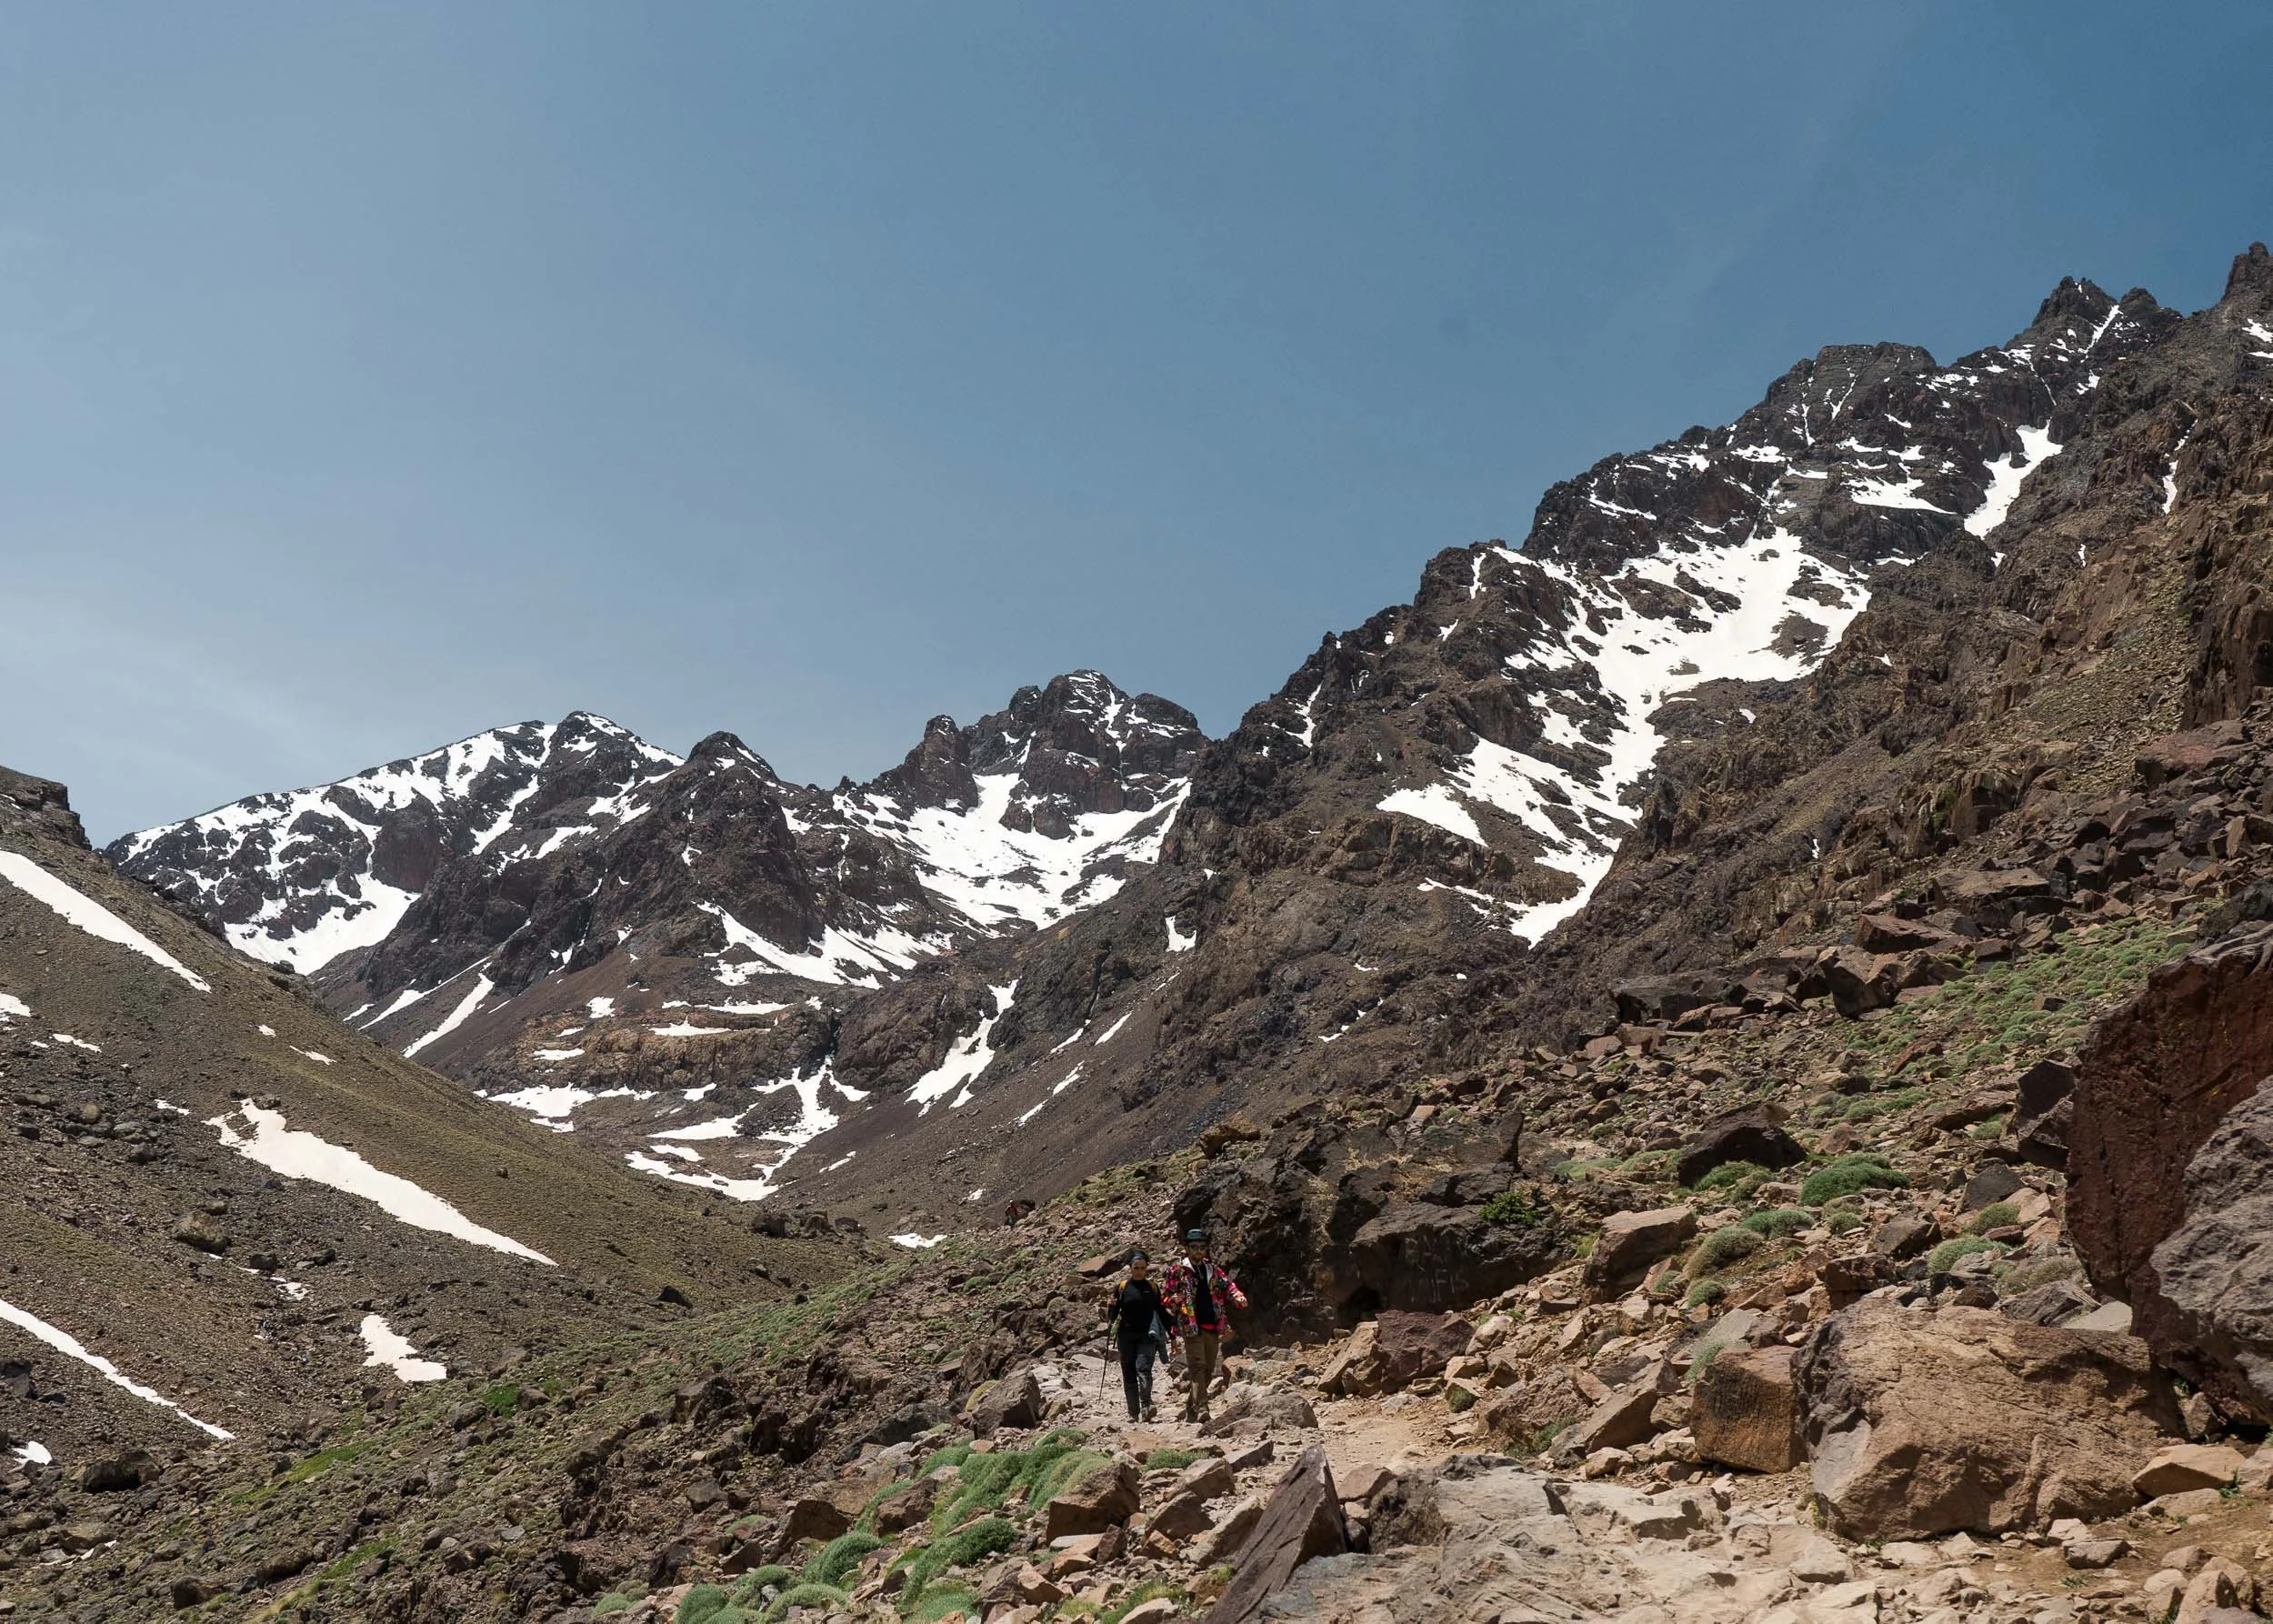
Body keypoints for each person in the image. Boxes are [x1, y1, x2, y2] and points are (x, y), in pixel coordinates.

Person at [1160, 1229, 1247, 1426]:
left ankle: (1191, 1407)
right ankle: (1203, 1408)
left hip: (1213, 1324)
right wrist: (1172, 1300)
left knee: (1208, 1370)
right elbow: (1165, 1297)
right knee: (1197, 1367)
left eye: (1202, 1247)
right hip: (1191, 1325)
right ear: (1187, 1248)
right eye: (1194, 1247)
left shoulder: (1212, 1269)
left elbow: (1227, 1286)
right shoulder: (1177, 1271)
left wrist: (1237, 1296)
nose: (1199, 1250)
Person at [1102, 1250, 1169, 1422]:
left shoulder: (1152, 1287)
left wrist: (1172, 1332)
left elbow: (1160, 1311)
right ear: (1130, 1268)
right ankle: (1133, 1412)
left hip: (1147, 1335)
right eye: (1136, 1267)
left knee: (1144, 1369)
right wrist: (1110, 1307)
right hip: (1126, 1336)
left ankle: (1147, 1405)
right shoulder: (1122, 1287)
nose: (1139, 1271)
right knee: (1129, 1372)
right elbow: (1114, 1314)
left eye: (1142, 1268)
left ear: (1147, 1268)